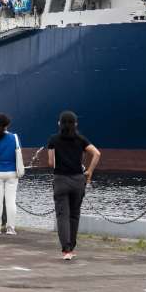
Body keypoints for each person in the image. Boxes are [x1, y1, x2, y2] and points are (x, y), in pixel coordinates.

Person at [48, 111, 101, 261]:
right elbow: (97, 153)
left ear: (59, 123)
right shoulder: (81, 139)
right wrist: (89, 171)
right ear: (76, 124)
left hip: (60, 180)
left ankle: (66, 250)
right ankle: (71, 247)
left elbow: (51, 163)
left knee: (62, 215)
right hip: (78, 180)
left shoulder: (53, 139)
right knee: (74, 214)